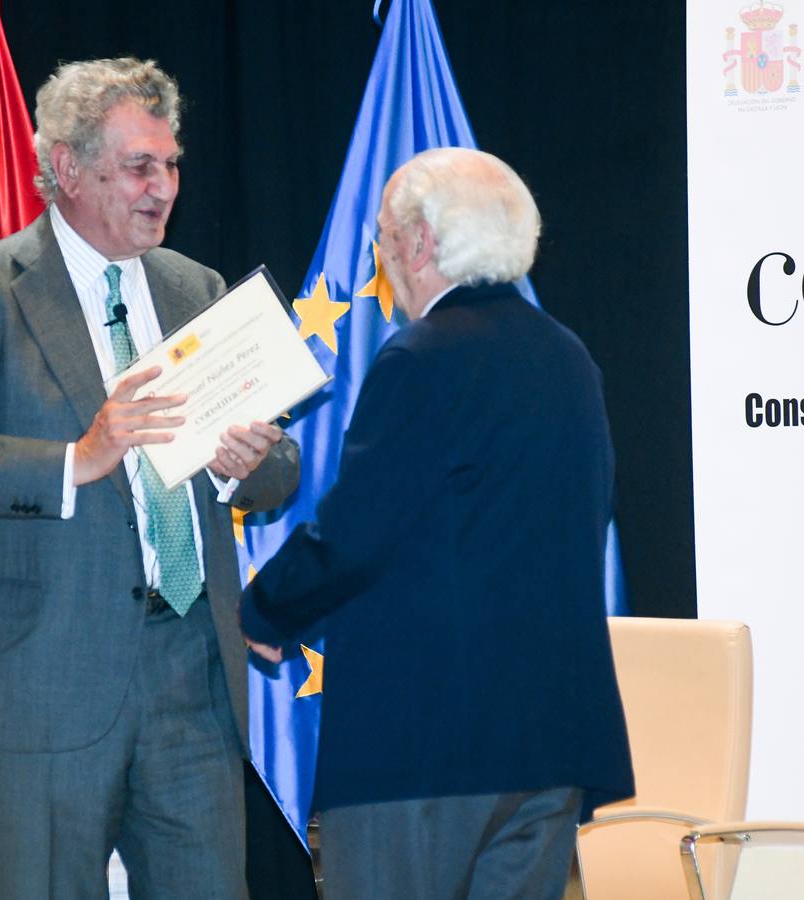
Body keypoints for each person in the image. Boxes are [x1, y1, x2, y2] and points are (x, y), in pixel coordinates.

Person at [0, 58, 299, 898]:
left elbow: (281, 468)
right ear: (66, 167)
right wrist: (79, 458)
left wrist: (249, 465)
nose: (164, 186)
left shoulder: (196, 287)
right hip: (42, 681)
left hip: (191, 677)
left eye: (172, 164)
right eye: (140, 166)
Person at [240, 147, 634, 899]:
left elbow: (356, 534)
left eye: (384, 234)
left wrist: (266, 609)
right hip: (549, 741)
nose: (381, 253)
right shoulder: (568, 356)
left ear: (420, 241)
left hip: (423, 749)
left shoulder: (423, 358)